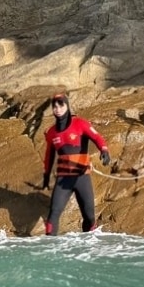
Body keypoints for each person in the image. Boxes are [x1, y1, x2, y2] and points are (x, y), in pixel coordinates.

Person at [41, 91, 111, 235]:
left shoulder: (80, 123)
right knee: (53, 214)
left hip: (82, 177)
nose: (58, 109)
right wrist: (46, 175)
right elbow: (49, 156)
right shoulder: (52, 133)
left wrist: (104, 151)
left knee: (89, 216)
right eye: (55, 107)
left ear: (67, 106)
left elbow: (97, 137)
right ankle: (48, 249)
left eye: (61, 106)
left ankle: (87, 245)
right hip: (63, 179)